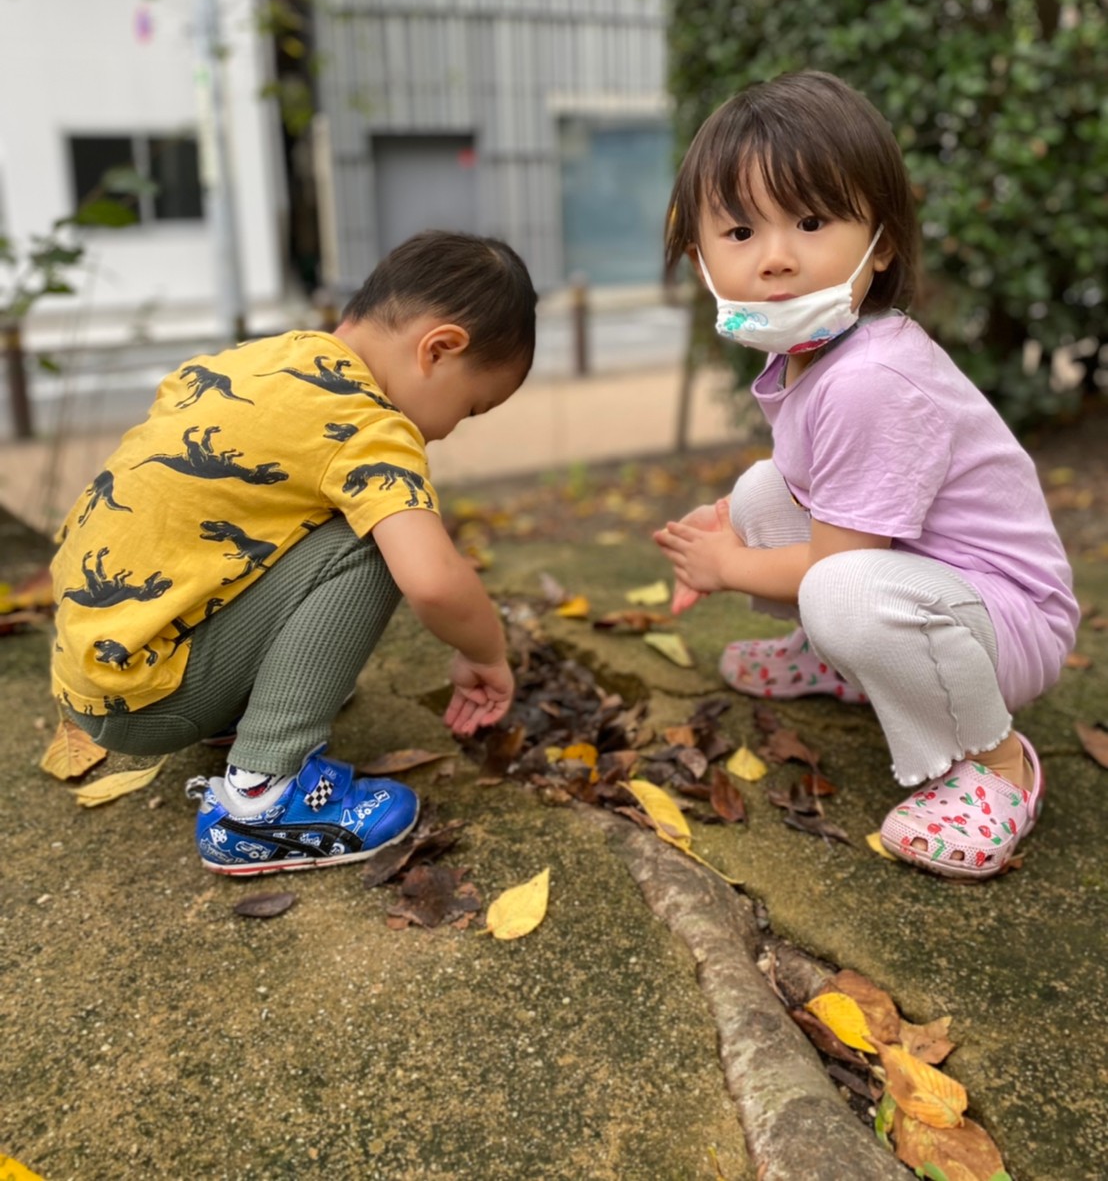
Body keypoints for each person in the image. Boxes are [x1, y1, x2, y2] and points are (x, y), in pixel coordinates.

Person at [653, 71, 1079, 879]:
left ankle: (999, 765)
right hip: (934, 585)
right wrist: (733, 524)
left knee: (840, 591)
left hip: (1005, 620)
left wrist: (726, 566)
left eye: (811, 222)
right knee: (760, 493)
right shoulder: (812, 357)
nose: (776, 259)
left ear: (880, 243)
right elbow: (813, 491)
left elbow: (838, 562)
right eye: (740, 231)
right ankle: (834, 660)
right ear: (700, 256)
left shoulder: (870, 377)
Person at [51, 230, 535, 876]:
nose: (448, 430)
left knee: (316, 518)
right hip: (150, 700)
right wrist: (486, 654)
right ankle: (259, 801)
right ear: (439, 349)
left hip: (98, 666)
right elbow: (434, 583)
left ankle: (246, 708)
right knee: (377, 541)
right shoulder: (367, 423)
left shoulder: (256, 363)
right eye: (471, 407)